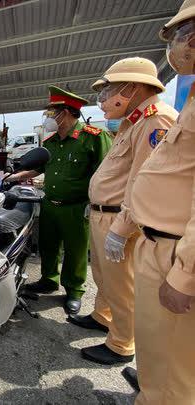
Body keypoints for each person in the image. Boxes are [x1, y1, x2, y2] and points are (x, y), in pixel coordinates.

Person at [67, 58, 178, 366]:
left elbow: (143, 181)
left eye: (112, 90)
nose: (104, 99)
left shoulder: (156, 121)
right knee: (104, 278)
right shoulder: (134, 122)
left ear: (134, 87)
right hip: (105, 214)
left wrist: (121, 227)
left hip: (120, 219)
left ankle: (121, 344)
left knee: (121, 286)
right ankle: (103, 316)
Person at [118, 2, 195, 402]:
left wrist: (185, 275)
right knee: (157, 343)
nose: (180, 43)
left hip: (175, 248)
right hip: (156, 239)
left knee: (177, 364)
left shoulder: (159, 117)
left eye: (183, 32)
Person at [11, 86, 112, 314]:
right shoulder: (51, 142)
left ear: (65, 113)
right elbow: (39, 168)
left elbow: (106, 174)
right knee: (48, 246)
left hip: (77, 207)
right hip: (50, 204)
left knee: (75, 251)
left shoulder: (93, 137)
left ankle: (74, 290)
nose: (48, 119)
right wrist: (14, 177)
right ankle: (49, 280)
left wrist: (97, 205)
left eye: (50, 114)